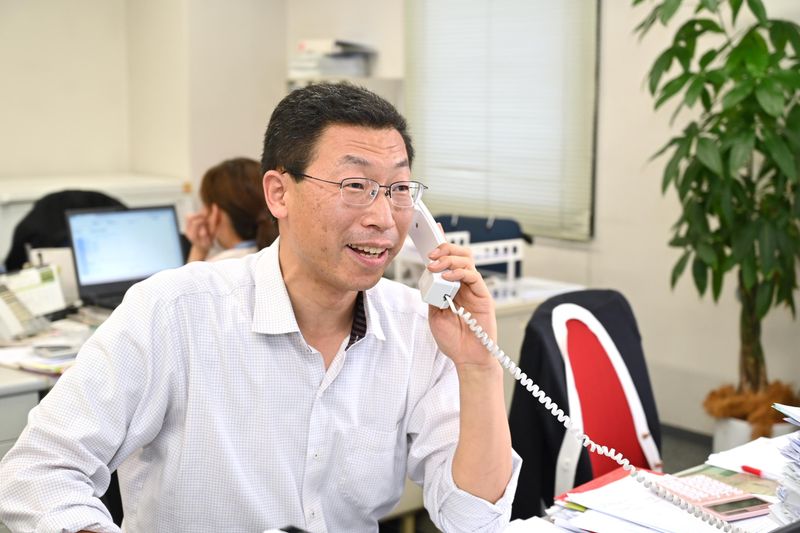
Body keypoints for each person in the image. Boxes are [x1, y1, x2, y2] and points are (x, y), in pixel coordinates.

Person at [0, 83, 520, 532]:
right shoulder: (173, 311)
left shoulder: (418, 325)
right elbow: (36, 474)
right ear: (278, 194)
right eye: (355, 186)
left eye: (399, 189)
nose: (384, 218)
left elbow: (473, 521)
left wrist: (478, 369)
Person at [184, 157, 279, 262]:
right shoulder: (277, 256)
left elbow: (190, 273)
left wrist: (198, 251)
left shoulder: (213, 268)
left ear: (215, 213)